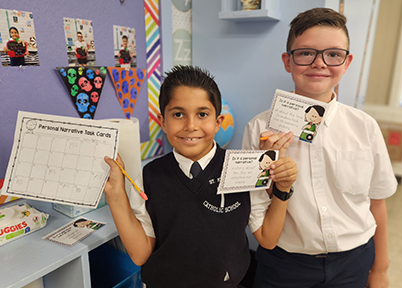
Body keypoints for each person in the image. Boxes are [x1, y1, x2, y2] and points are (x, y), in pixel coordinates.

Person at [242, 7, 397, 288]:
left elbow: (377, 201)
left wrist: (381, 268)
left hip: (355, 260)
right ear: (287, 62)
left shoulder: (364, 126)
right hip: (284, 264)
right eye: (305, 53)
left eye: (333, 54)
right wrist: (273, 172)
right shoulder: (259, 130)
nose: (319, 63)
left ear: (347, 62)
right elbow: (258, 209)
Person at [102, 65, 298, 288]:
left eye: (202, 114)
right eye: (178, 114)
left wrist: (282, 189)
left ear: (217, 122)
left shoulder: (244, 168)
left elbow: (268, 238)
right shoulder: (149, 176)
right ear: (163, 122)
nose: (191, 126)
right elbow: (139, 255)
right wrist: (116, 194)